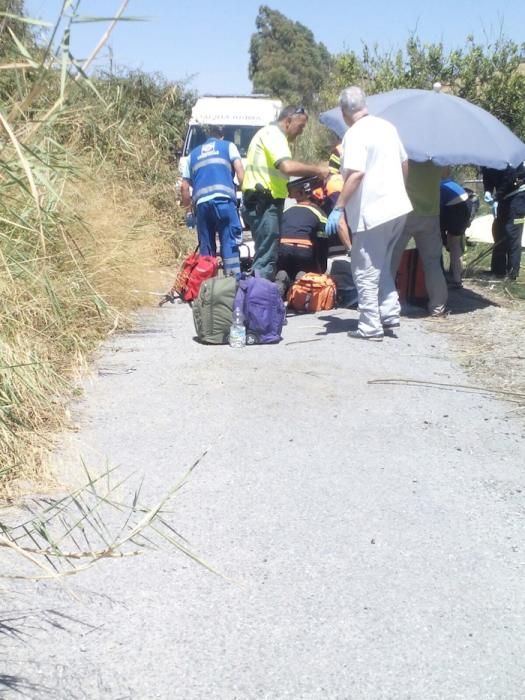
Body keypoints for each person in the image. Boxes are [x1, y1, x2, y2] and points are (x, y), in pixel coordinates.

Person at [325, 86, 412, 341]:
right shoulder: (387, 127)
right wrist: (397, 189)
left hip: (372, 211)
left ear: (344, 112)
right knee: (382, 263)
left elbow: (356, 173)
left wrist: (339, 206)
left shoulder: (354, 135)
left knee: (363, 268)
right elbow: (404, 163)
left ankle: (370, 326)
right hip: (398, 207)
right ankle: (389, 312)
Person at [241, 106, 330, 281]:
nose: (301, 132)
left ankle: (258, 297)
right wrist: (318, 170)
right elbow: (287, 167)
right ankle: (259, 302)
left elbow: (274, 174)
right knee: (267, 257)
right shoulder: (275, 135)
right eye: (301, 126)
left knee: (265, 253)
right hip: (265, 203)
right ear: (288, 121)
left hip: (260, 201)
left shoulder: (265, 134)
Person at [180, 125, 244, 276]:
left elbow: (184, 186)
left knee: (206, 246)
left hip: (201, 206)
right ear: (222, 136)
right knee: (229, 241)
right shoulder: (229, 146)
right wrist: (246, 193)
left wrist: (188, 211)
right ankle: (233, 284)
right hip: (224, 203)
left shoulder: (192, 155)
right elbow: (240, 172)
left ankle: (207, 287)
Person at [390, 161, 449, 317]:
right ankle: (438, 307)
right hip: (430, 214)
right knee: (433, 263)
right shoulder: (437, 158)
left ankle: (385, 303)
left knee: (391, 261)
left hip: (404, 213)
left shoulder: (405, 156)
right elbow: (446, 174)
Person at [277, 176, 328, 283]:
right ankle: (303, 278)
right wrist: (321, 269)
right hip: (304, 251)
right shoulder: (320, 213)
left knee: (286, 268)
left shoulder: (286, 211)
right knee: (308, 270)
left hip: (284, 248)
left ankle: (284, 275)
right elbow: (322, 243)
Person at [483, 163, 525, 279]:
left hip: (517, 196)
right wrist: (487, 190)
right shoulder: (486, 160)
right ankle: (498, 271)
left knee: (512, 234)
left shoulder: (509, 159)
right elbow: (487, 176)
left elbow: (510, 179)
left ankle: (512, 274)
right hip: (503, 197)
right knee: (498, 231)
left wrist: (497, 197)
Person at [440, 176, 471, 288]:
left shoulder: (435, 188)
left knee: (444, 242)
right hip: (467, 205)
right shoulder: (447, 181)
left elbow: (440, 220)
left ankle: (440, 276)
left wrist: (443, 239)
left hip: (453, 209)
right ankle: (457, 278)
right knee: (455, 244)